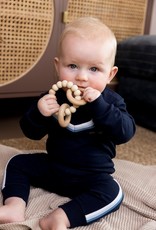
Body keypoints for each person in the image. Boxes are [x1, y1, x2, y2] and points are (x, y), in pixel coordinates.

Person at [0, 17, 136, 229]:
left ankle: (61, 217)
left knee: (114, 193)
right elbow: (30, 132)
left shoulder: (110, 103)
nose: (81, 77)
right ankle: (14, 207)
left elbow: (125, 132)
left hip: (91, 177)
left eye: (94, 69)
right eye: (72, 66)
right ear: (57, 66)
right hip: (54, 168)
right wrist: (39, 113)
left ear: (110, 74)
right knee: (18, 162)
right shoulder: (53, 99)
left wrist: (100, 106)